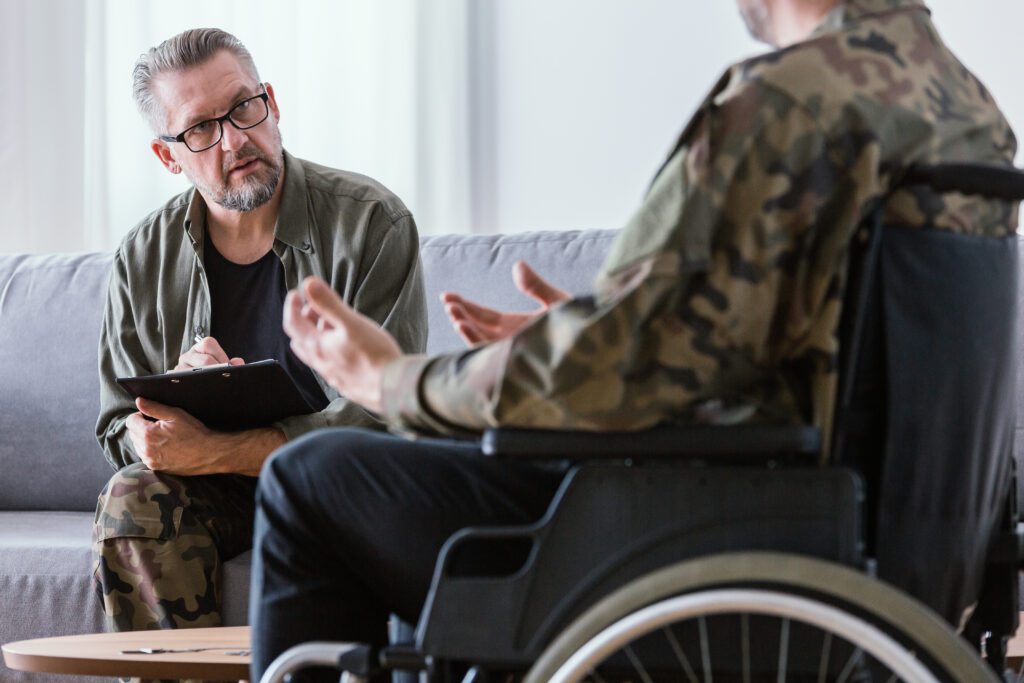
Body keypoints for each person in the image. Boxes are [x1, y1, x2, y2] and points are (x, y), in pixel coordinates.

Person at [250, 0, 1018, 679]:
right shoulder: (960, 103)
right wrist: (589, 321)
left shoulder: (792, 100)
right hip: (891, 543)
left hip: (724, 524)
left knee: (308, 476)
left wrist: (395, 380)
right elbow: (820, 338)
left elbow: (623, 367)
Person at [90, 27, 427, 655]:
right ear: (170, 157)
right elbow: (115, 422)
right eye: (201, 129)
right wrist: (157, 431)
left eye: (245, 107)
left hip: (337, 480)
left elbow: (388, 416)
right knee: (131, 496)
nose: (237, 138)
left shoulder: (372, 223)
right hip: (213, 494)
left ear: (271, 101)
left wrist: (216, 451)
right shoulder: (141, 257)